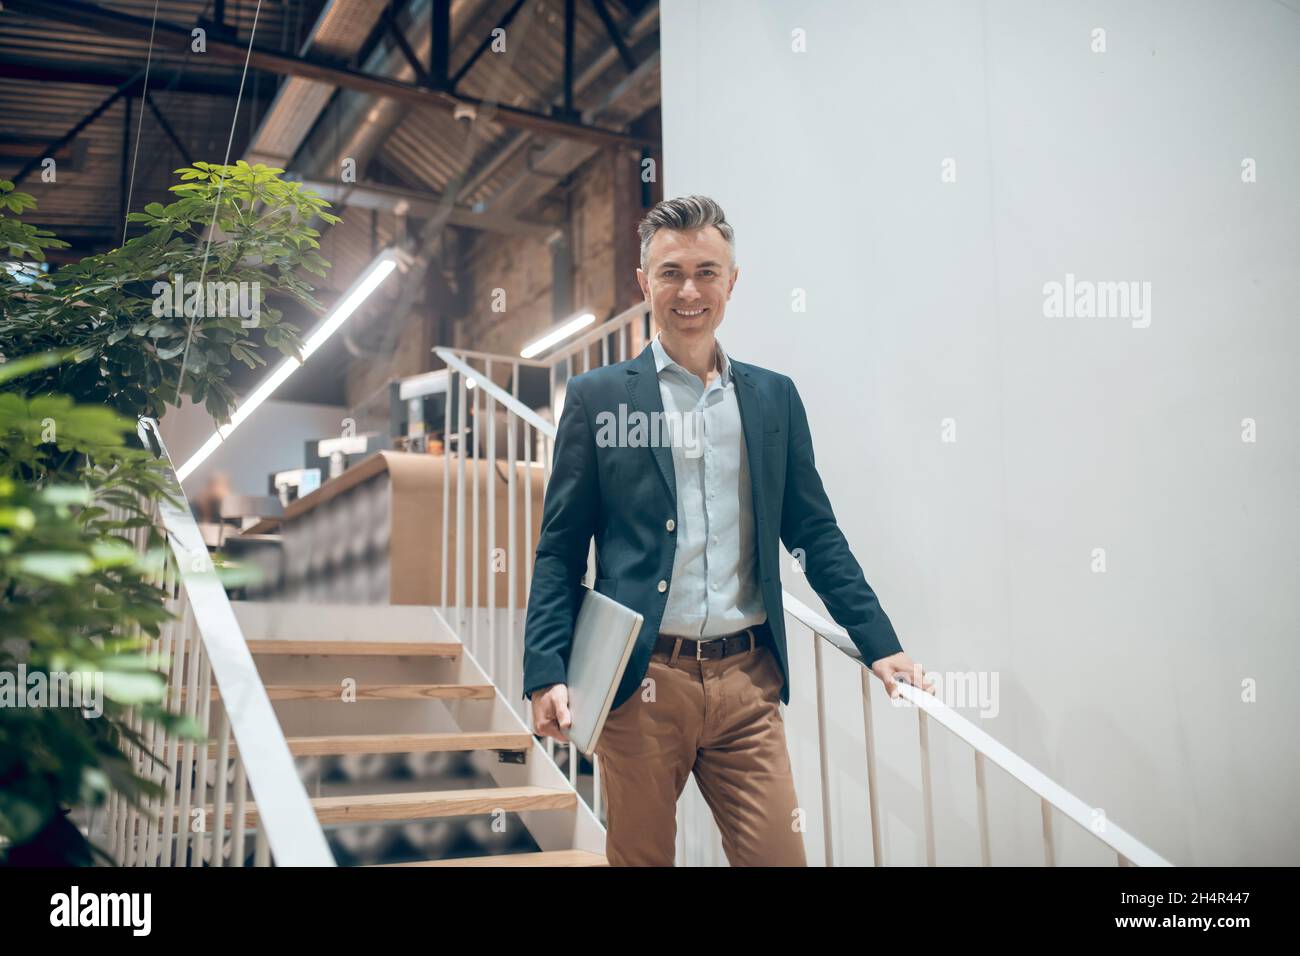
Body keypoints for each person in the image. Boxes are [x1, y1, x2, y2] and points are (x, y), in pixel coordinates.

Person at [522, 194, 933, 866]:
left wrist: (879, 642)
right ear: (644, 283)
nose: (689, 290)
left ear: (732, 282)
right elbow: (560, 550)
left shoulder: (773, 398)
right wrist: (546, 669)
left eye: (707, 272)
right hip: (642, 681)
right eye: (672, 272)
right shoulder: (600, 398)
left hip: (748, 682)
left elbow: (814, 532)